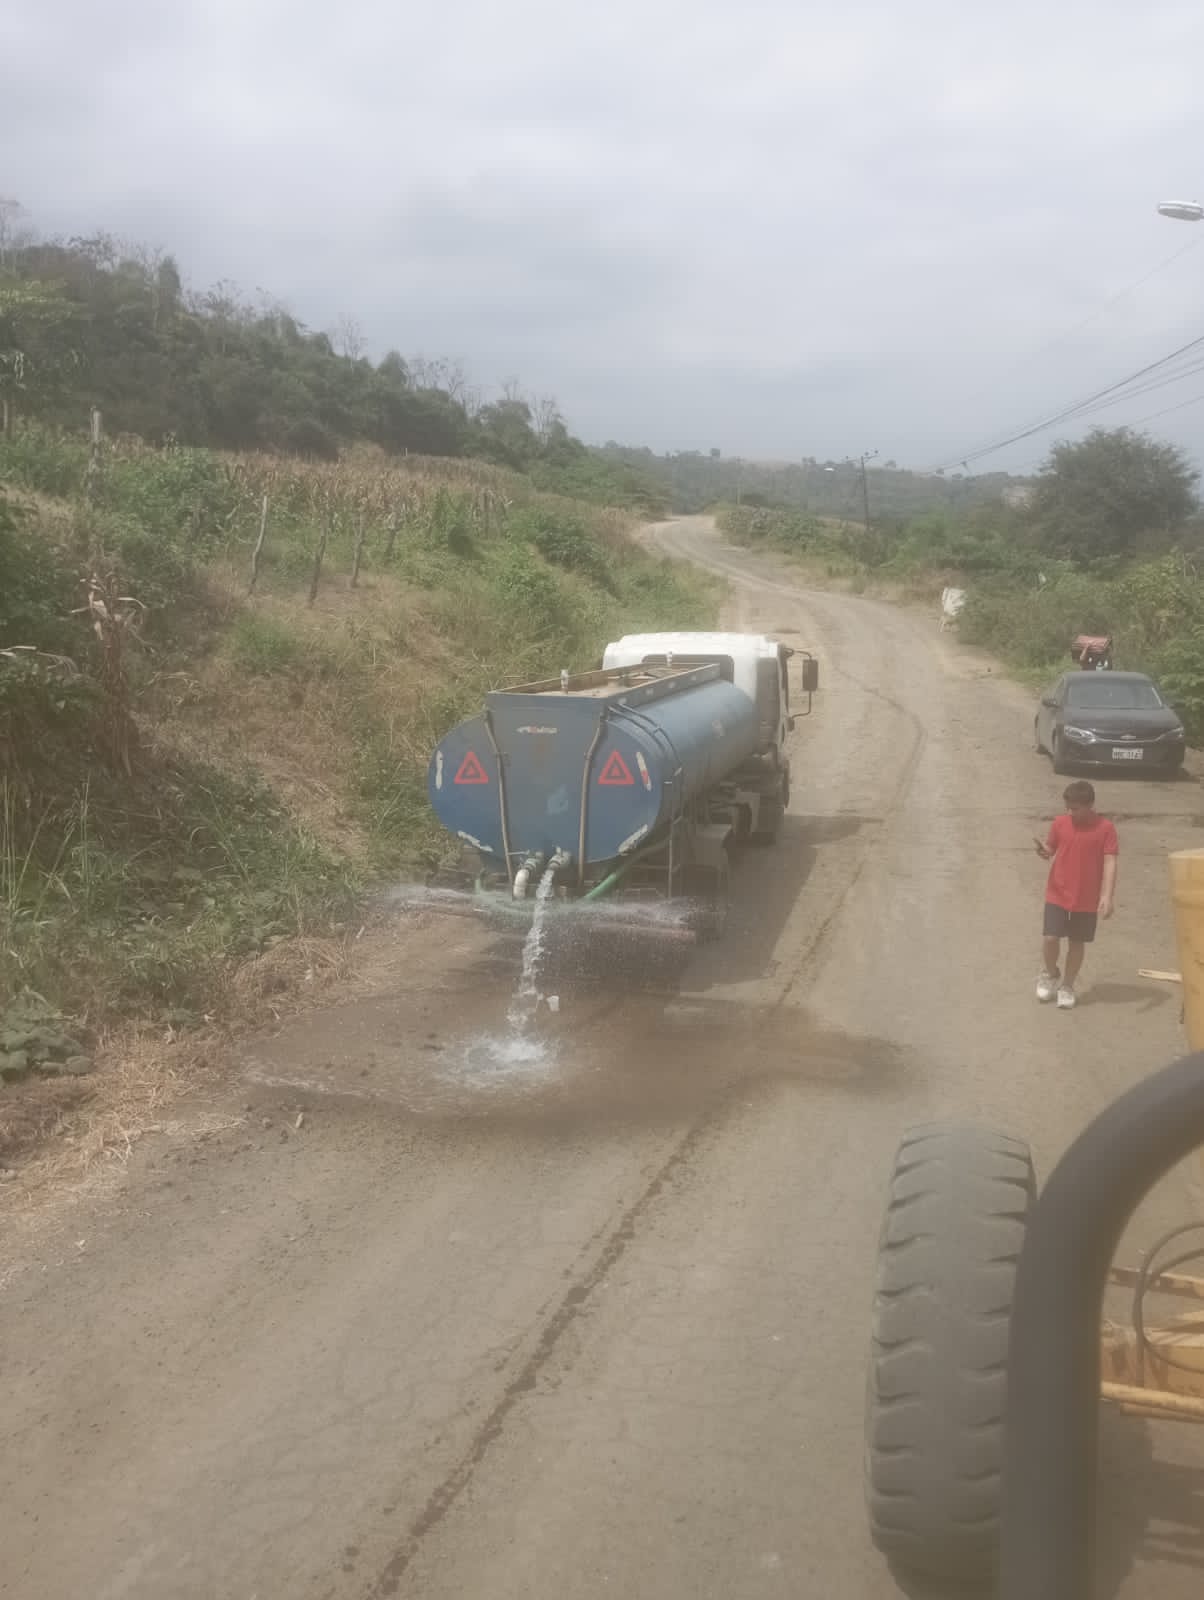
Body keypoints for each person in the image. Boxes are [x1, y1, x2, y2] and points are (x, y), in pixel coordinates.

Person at [1034, 779, 1118, 1010]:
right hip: (1057, 891)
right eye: (1068, 808)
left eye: (1076, 809)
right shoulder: (1060, 823)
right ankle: (1050, 973)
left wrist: (1107, 896)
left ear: (1090, 805)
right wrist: (1044, 851)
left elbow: (1110, 861)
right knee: (1050, 937)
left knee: (1077, 942)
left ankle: (1068, 985)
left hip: (1087, 898)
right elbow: (1052, 848)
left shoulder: (1106, 828)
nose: (1070, 813)